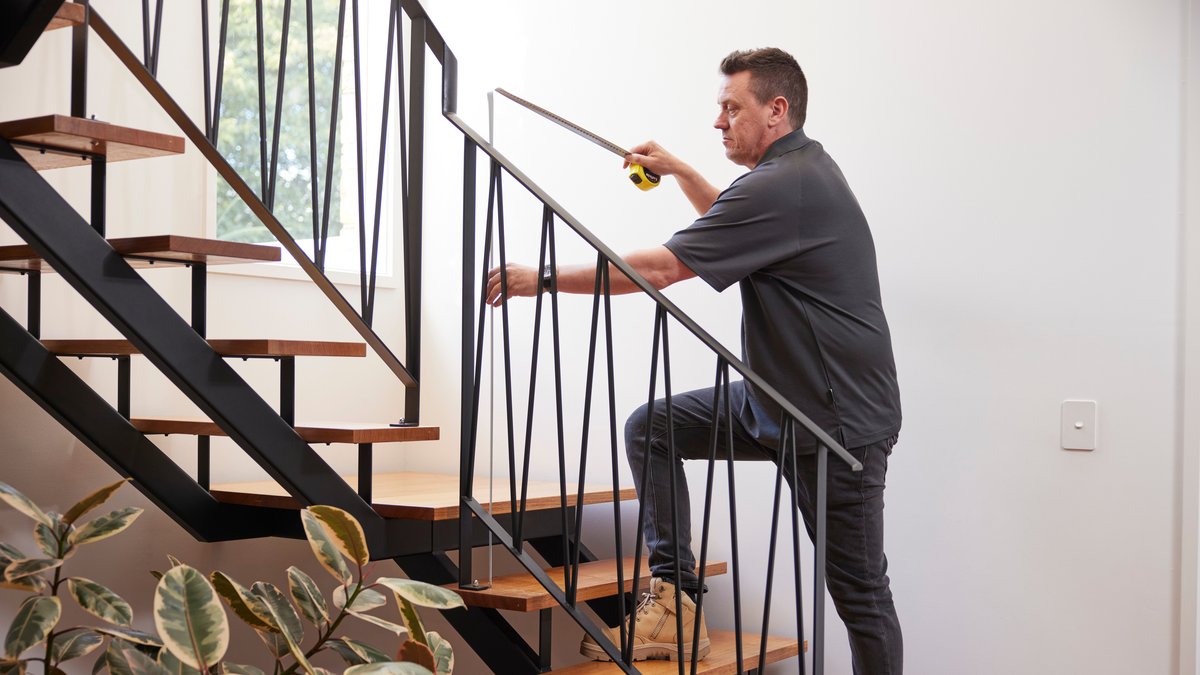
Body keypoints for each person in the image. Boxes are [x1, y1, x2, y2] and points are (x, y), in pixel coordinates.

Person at [486, 47, 903, 674]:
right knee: (650, 426)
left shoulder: (784, 185)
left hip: (834, 426)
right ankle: (676, 602)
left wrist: (540, 277)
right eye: (720, 109)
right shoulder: (793, 175)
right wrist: (679, 170)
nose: (719, 123)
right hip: (777, 402)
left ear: (777, 110)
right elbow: (730, 224)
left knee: (861, 595)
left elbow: (658, 269)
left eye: (732, 108)